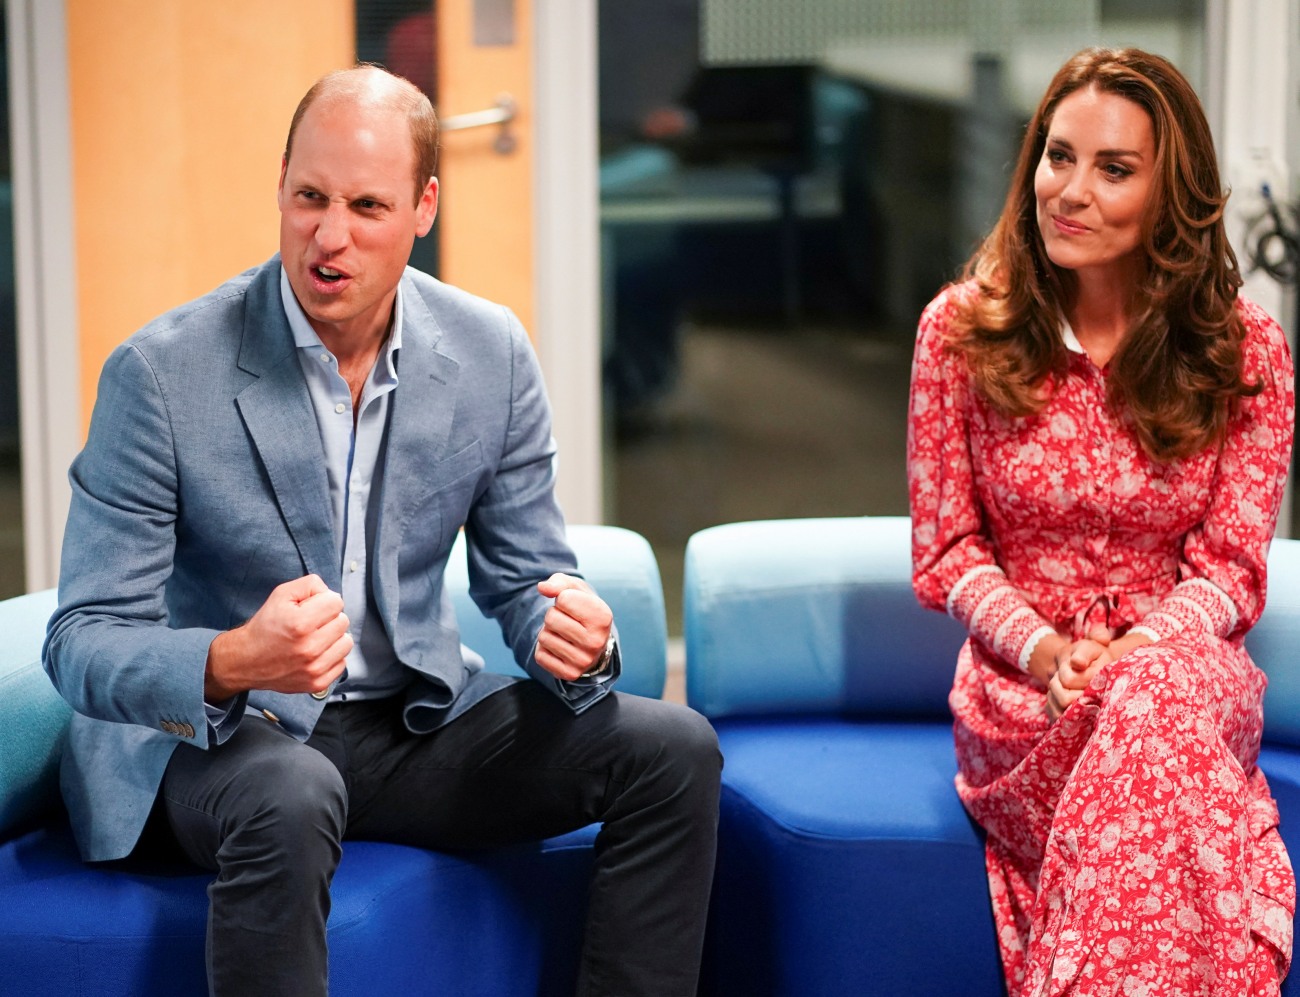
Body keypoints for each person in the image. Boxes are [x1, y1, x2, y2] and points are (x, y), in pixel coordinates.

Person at [43, 65, 721, 997]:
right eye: (309, 198)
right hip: (219, 740)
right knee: (292, 790)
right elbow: (81, 642)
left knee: (673, 748)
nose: (330, 237)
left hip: (407, 726)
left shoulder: (490, 352)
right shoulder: (160, 376)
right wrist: (234, 657)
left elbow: (527, 581)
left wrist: (569, 630)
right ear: (281, 182)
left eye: (367, 206)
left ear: (423, 207)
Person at [908, 48, 1295, 996]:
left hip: (1185, 674)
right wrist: (1048, 653)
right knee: (1158, 754)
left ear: (1174, 196)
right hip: (1023, 694)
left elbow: (1233, 571)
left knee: (1153, 695)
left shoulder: (1250, 352)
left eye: (1114, 169)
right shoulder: (958, 332)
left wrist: (1138, 653)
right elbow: (946, 552)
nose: (1069, 191)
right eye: (1056, 155)